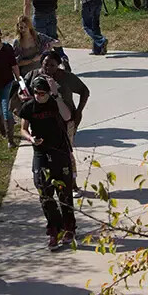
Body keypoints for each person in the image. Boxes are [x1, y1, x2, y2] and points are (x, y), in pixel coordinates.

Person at [20, 75, 76, 251]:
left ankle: (69, 227)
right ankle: (54, 228)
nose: (39, 96)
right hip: (41, 153)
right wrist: (30, 138)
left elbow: (67, 117)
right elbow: (23, 129)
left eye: (43, 93)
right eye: (36, 92)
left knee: (64, 192)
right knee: (44, 191)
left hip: (59, 152)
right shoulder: (29, 107)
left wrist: (56, 95)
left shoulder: (54, 103)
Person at [26, 50, 89, 195]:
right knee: (43, 152)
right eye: (45, 64)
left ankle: (72, 184)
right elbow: (23, 91)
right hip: (41, 122)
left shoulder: (66, 78)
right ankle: (45, 182)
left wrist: (79, 110)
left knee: (67, 153)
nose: (47, 68)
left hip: (65, 122)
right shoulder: (33, 75)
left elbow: (84, 91)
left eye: (52, 65)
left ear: (58, 66)